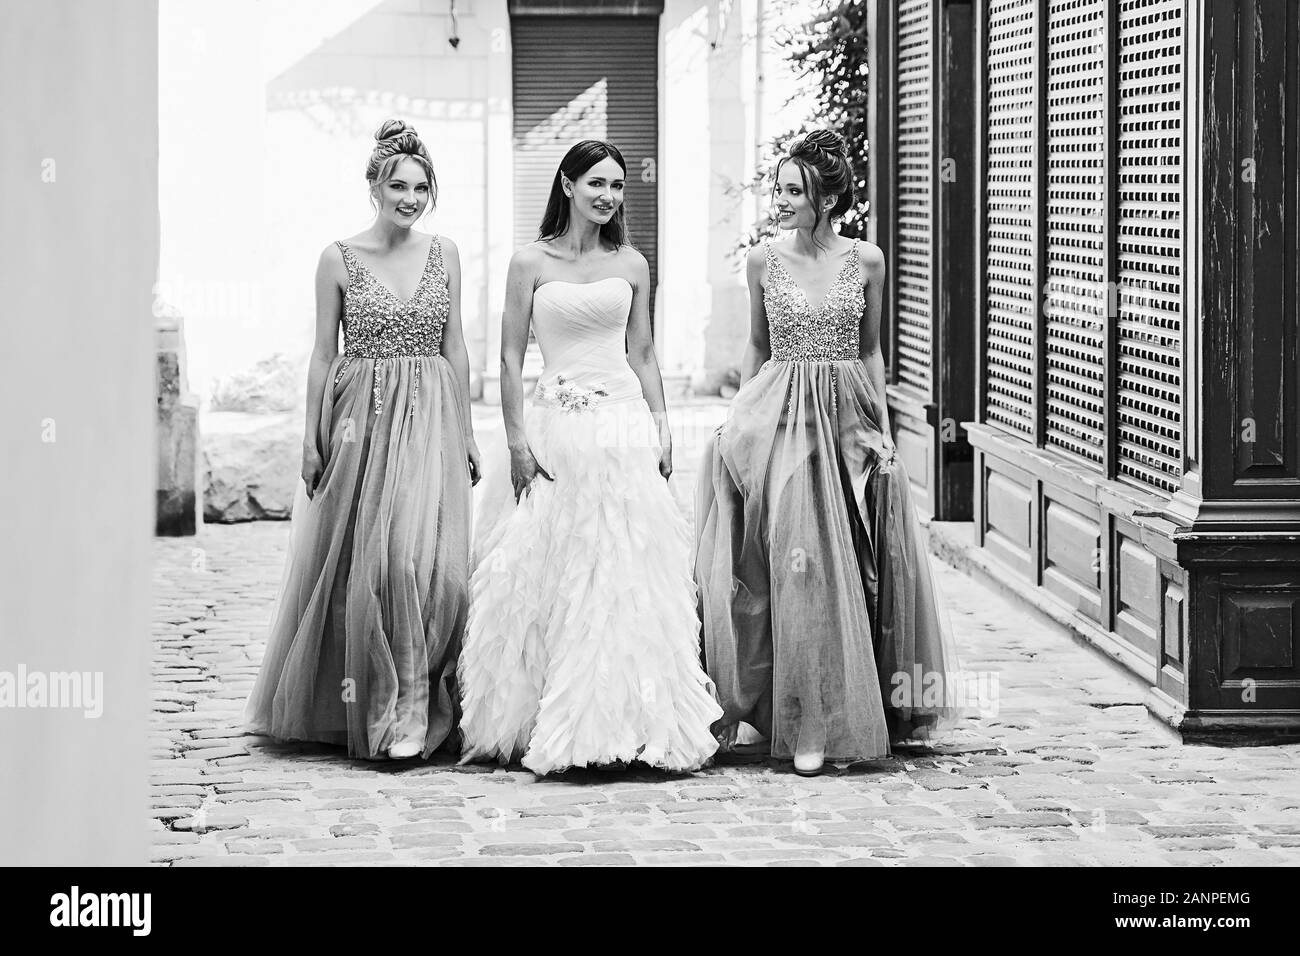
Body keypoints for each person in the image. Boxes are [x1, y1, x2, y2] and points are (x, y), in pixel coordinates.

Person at [694, 129, 964, 776]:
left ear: (828, 197)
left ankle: (841, 708)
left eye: (795, 190)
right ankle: (799, 717)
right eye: (779, 188)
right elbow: (758, 349)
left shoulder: (866, 260)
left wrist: (884, 433)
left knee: (852, 570)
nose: (781, 199)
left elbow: (871, 349)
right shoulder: (763, 260)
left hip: (847, 419)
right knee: (793, 568)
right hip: (780, 417)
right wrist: (740, 423)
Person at [458, 140, 721, 776]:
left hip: (623, 427)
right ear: (568, 186)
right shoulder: (529, 262)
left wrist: (663, 430)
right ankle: (541, 717)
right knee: (543, 574)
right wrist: (516, 440)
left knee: (623, 575)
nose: (609, 196)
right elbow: (509, 359)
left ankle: (628, 721)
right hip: (554, 431)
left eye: (618, 186)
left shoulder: (631, 263)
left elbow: (645, 354)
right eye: (597, 183)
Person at [244, 119, 480, 761]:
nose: (411, 197)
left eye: (422, 187)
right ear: (374, 186)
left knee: (440, 568)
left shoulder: (446, 253)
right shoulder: (337, 258)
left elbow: (455, 348)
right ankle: (391, 709)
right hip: (364, 422)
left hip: (431, 415)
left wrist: (464, 428)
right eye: (399, 185)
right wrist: (312, 438)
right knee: (380, 563)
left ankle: (428, 693)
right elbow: (323, 354)